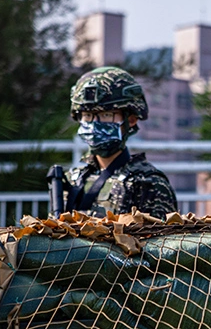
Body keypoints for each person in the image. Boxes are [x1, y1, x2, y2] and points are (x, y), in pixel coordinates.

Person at [61, 67, 177, 220]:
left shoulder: (147, 183)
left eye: (106, 115)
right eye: (88, 115)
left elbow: (162, 242)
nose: (95, 123)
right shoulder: (73, 180)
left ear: (131, 120)